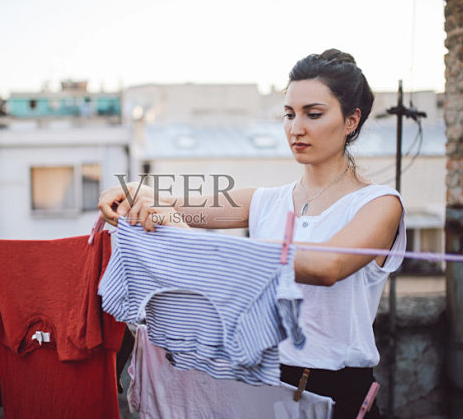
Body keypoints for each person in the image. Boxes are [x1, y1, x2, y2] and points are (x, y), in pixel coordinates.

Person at [98, 48, 405, 418]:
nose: (296, 128)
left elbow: (328, 265)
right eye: (289, 115)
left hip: (336, 393)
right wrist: (133, 194)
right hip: (258, 388)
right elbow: (176, 203)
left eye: (314, 114)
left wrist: (204, 246)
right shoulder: (267, 201)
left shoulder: (379, 203)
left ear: (351, 120)